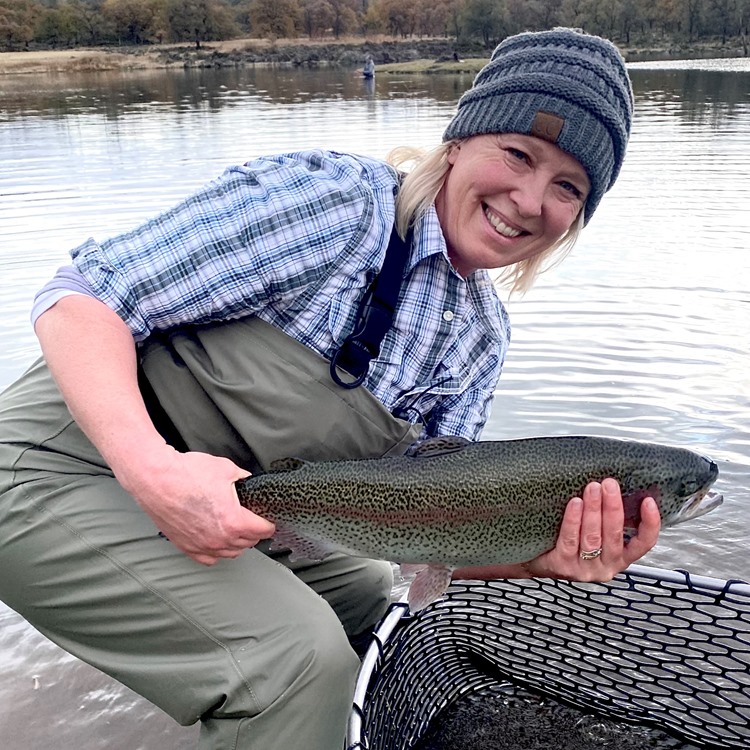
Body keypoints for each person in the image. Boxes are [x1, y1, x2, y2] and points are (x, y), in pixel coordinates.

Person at [0, 28, 661, 750]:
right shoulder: (337, 204)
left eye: (568, 187)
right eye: (518, 154)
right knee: (298, 661)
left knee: (379, 610)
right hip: (55, 469)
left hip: (246, 507)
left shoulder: (479, 339)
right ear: (461, 141)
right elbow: (81, 300)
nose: (530, 199)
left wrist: (536, 554)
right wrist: (153, 471)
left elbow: (431, 522)